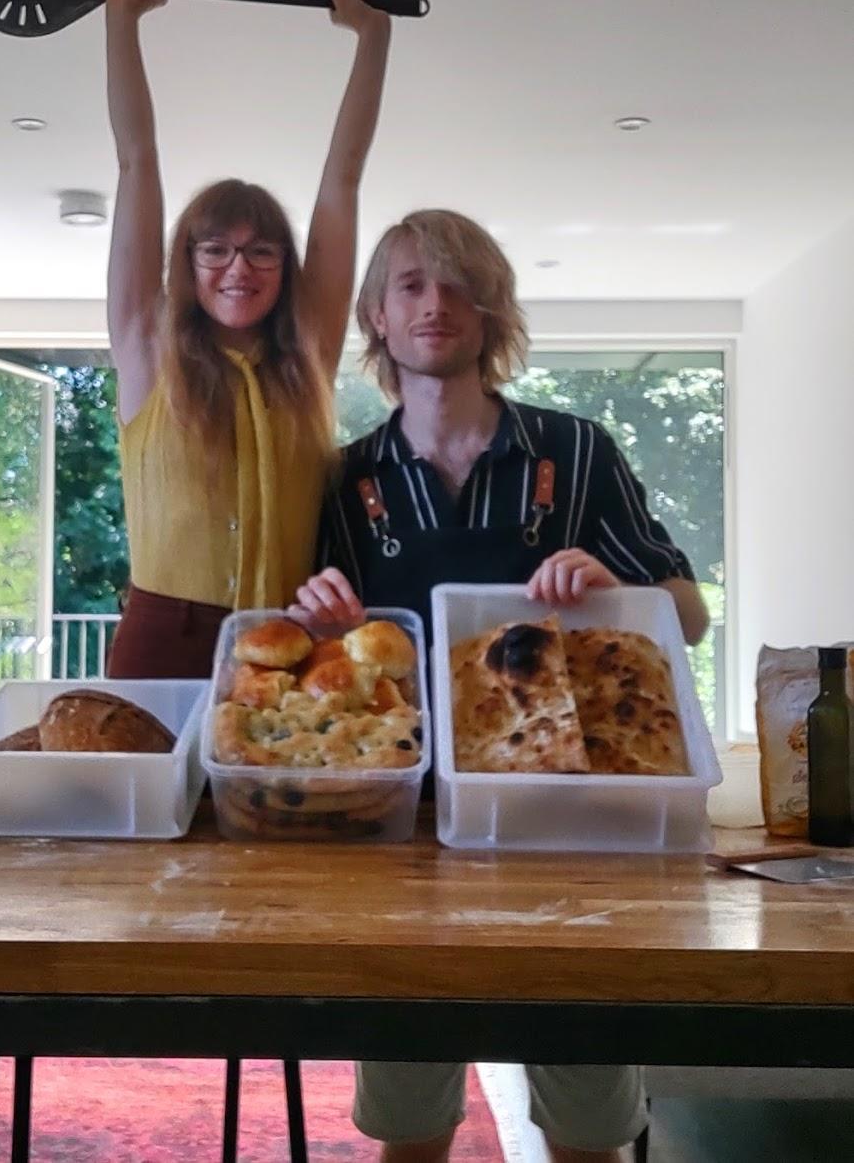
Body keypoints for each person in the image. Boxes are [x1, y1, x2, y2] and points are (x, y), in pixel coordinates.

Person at [289, 208, 709, 1163]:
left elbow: (689, 614)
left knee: (590, 1134)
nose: (435, 303)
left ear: (491, 313)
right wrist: (319, 619)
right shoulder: (343, 480)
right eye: (410, 285)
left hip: (576, 831)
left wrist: (623, 591)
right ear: (380, 320)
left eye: (458, 285)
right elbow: (322, 681)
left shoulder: (580, 450)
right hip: (409, 831)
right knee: (411, 1132)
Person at [102, 0, 392, 679]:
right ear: (187, 262)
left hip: (285, 641)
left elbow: (342, 183)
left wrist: (372, 40)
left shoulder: (308, 359)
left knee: (280, 799)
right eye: (217, 250)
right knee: (152, 799)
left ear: (286, 266)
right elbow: (136, 162)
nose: (240, 268)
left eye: (262, 251)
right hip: (157, 637)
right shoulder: (147, 350)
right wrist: (121, 21)